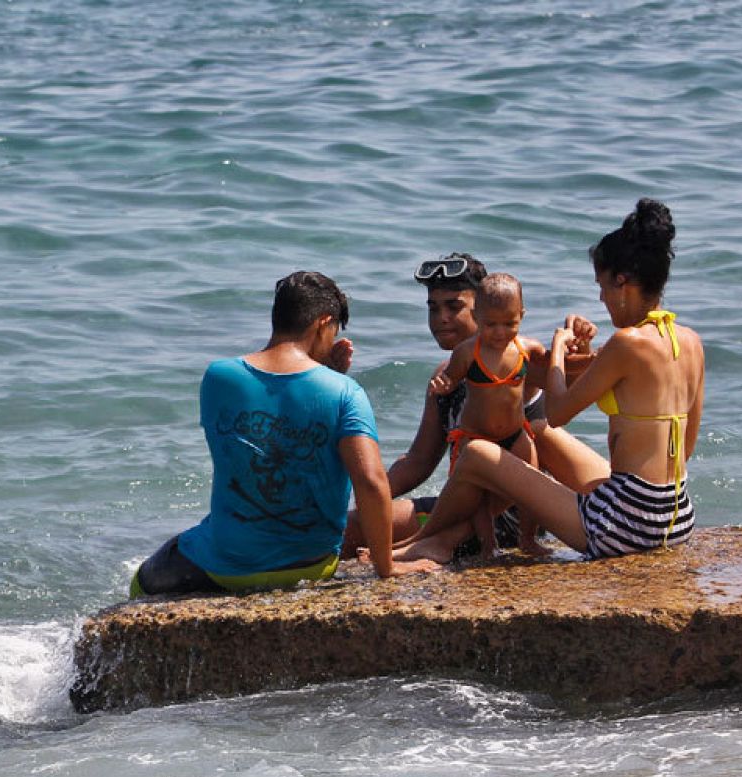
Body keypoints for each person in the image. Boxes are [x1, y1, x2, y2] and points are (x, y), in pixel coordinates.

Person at [394, 199, 701, 562]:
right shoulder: (689, 340)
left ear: (622, 283)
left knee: (476, 453)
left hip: (624, 528)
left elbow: (557, 412)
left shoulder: (626, 342)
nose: (601, 298)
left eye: (603, 287)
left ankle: (435, 540)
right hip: (677, 517)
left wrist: (558, 347)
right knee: (536, 432)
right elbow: (687, 447)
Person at [129, 271, 437, 599]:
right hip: (311, 563)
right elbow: (371, 483)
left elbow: (253, 442)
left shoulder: (219, 377)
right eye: (334, 332)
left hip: (227, 564)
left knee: (141, 582)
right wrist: (386, 566)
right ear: (323, 324)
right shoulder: (345, 392)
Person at [426, 273, 549, 556]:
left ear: (522, 316)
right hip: (476, 437)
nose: (500, 332)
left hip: (515, 433)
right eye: (490, 324)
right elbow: (451, 378)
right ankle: (488, 544)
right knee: (479, 500)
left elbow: (555, 366)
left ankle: (528, 538)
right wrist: (443, 385)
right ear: (476, 316)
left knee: (533, 483)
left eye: (509, 324)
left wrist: (578, 351)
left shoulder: (527, 348)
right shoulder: (468, 352)